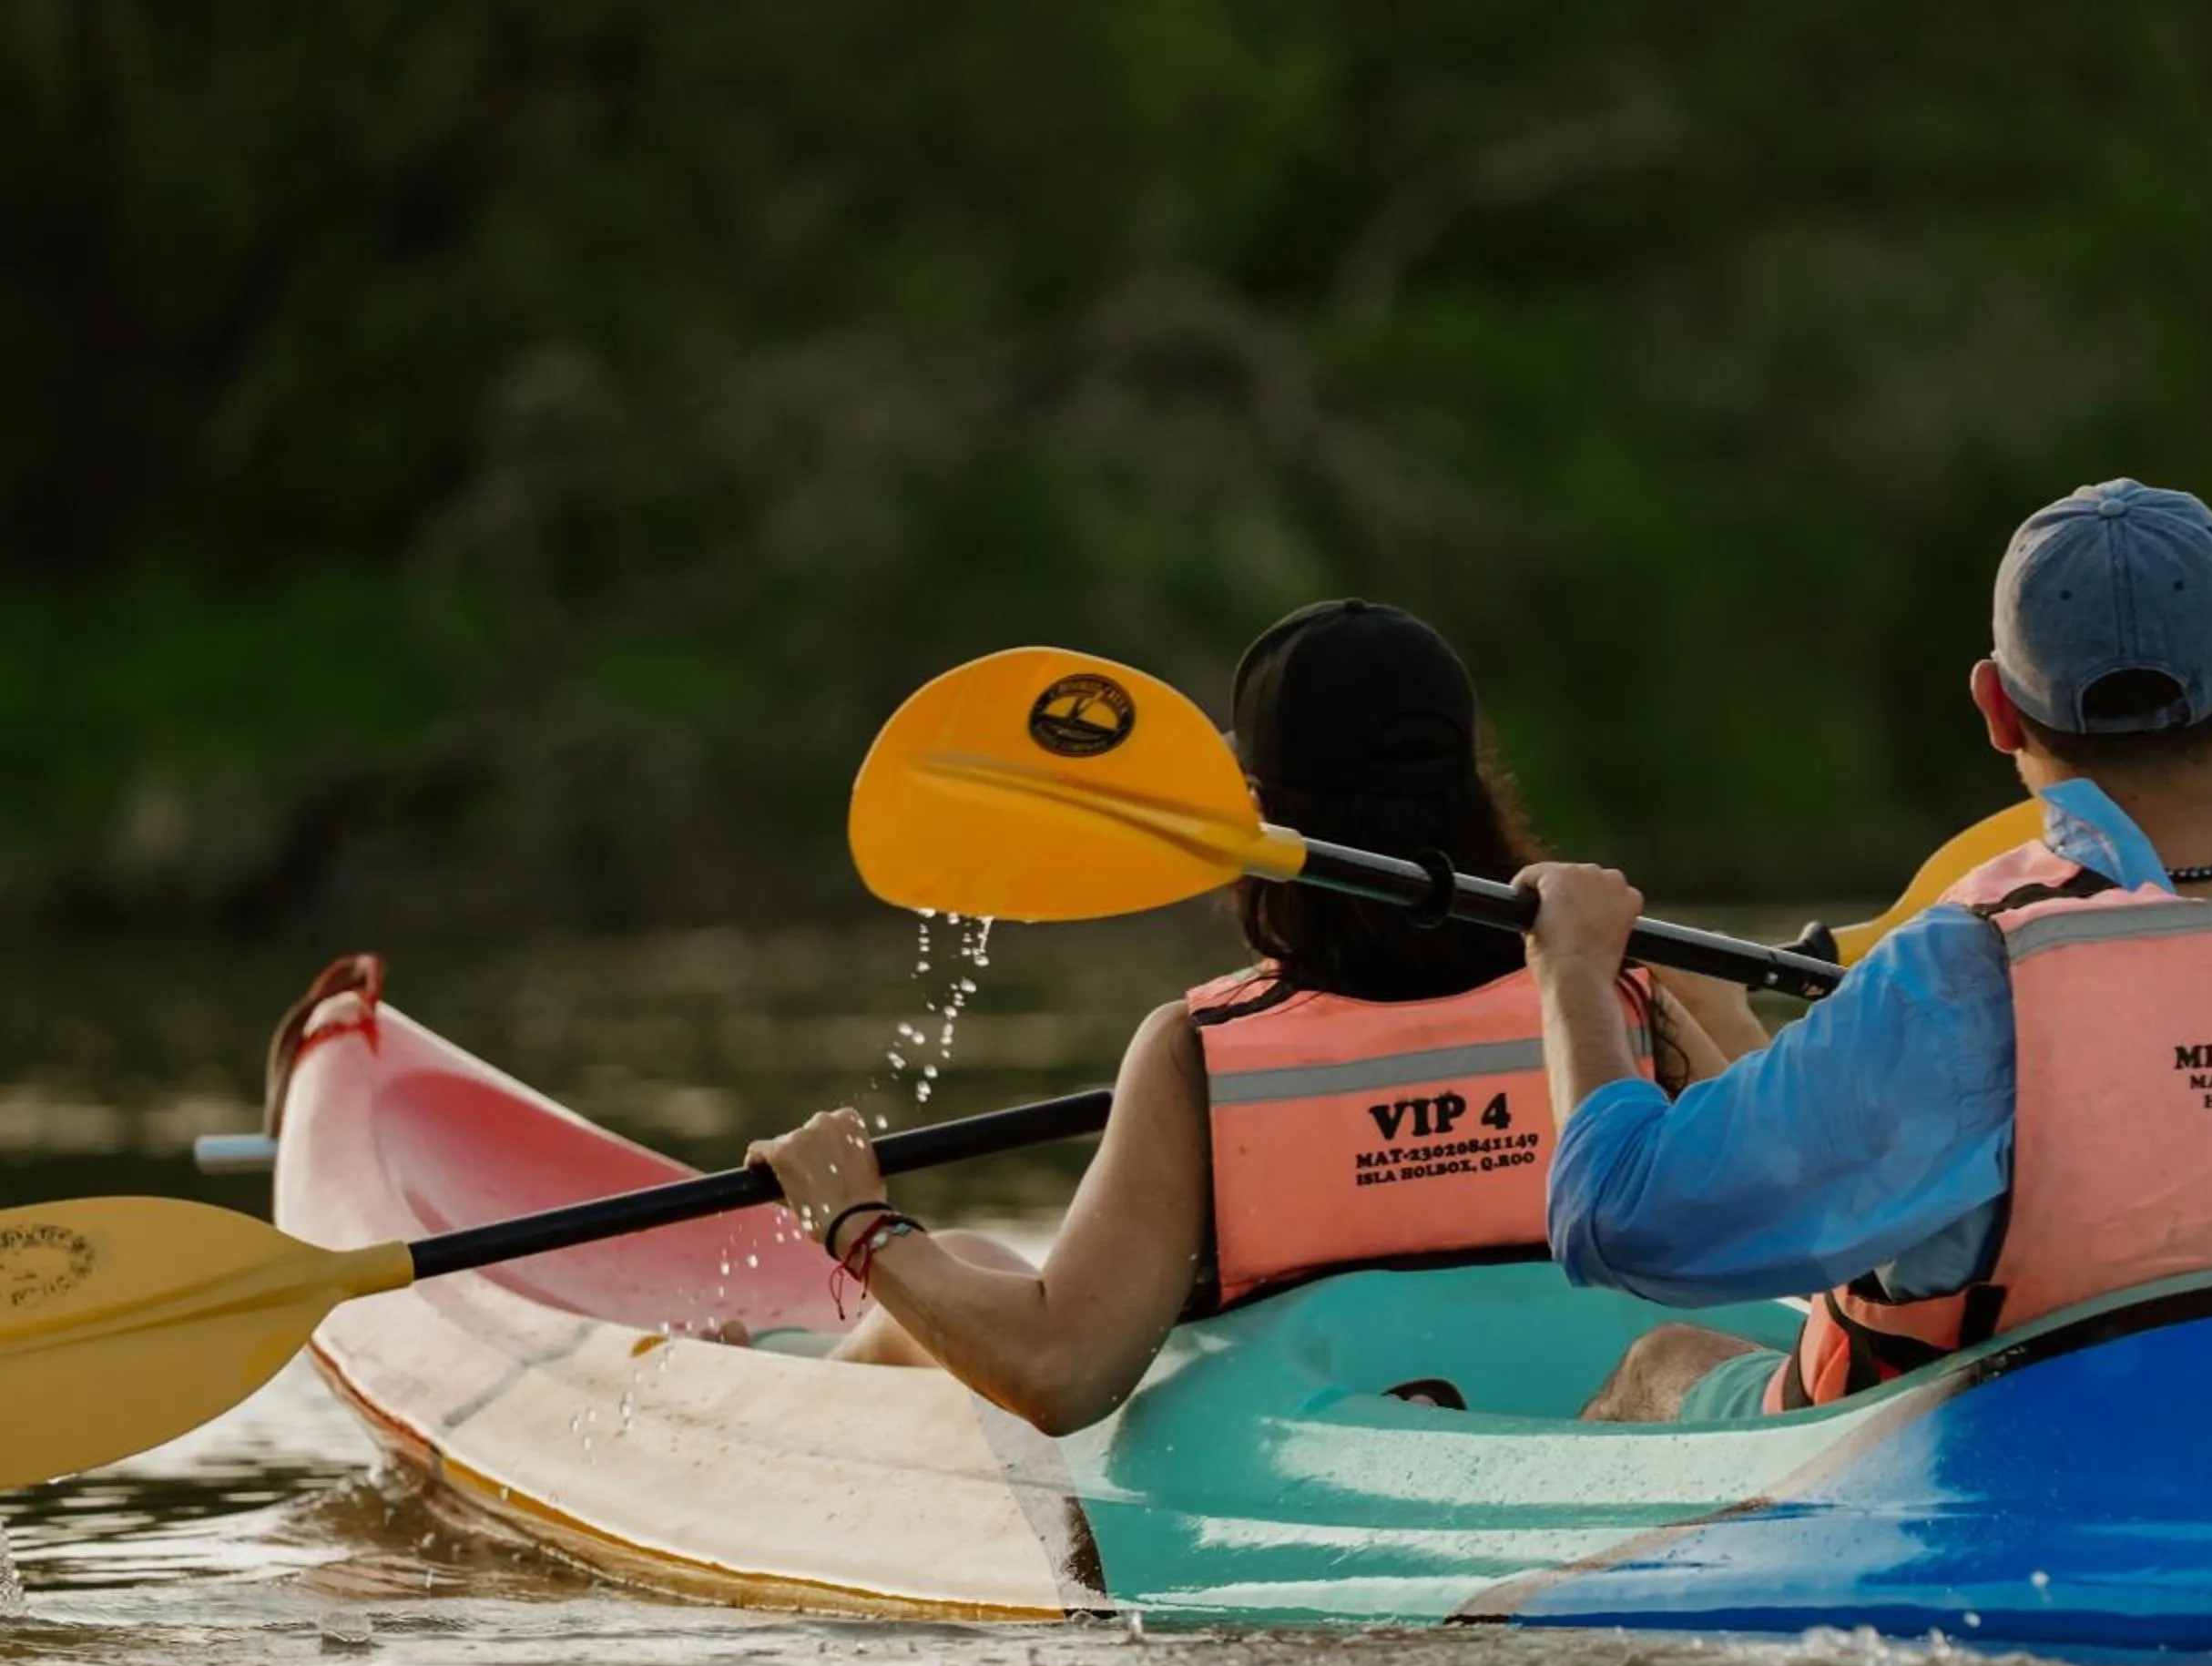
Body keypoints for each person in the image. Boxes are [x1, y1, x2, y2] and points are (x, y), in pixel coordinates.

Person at [1516, 477, 2212, 1424]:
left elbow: (1618, 1218)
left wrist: (1573, 968)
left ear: (1997, 708)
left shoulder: (1964, 974)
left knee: (1662, 1362)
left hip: (2006, 1468)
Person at [743, 598, 1764, 1436]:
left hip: (1324, 1436)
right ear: (1471, 787)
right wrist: (1711, 1010)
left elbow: (1060, 1371)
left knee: (947, 1273)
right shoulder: (1629, 995)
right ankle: (800, 1360)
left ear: (1255, 813)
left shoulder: (1200, 1055)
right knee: (975, 1251)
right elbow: (1811, 1219)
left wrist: (858, 1221)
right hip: (1641, 1405)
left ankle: (766, 1398)